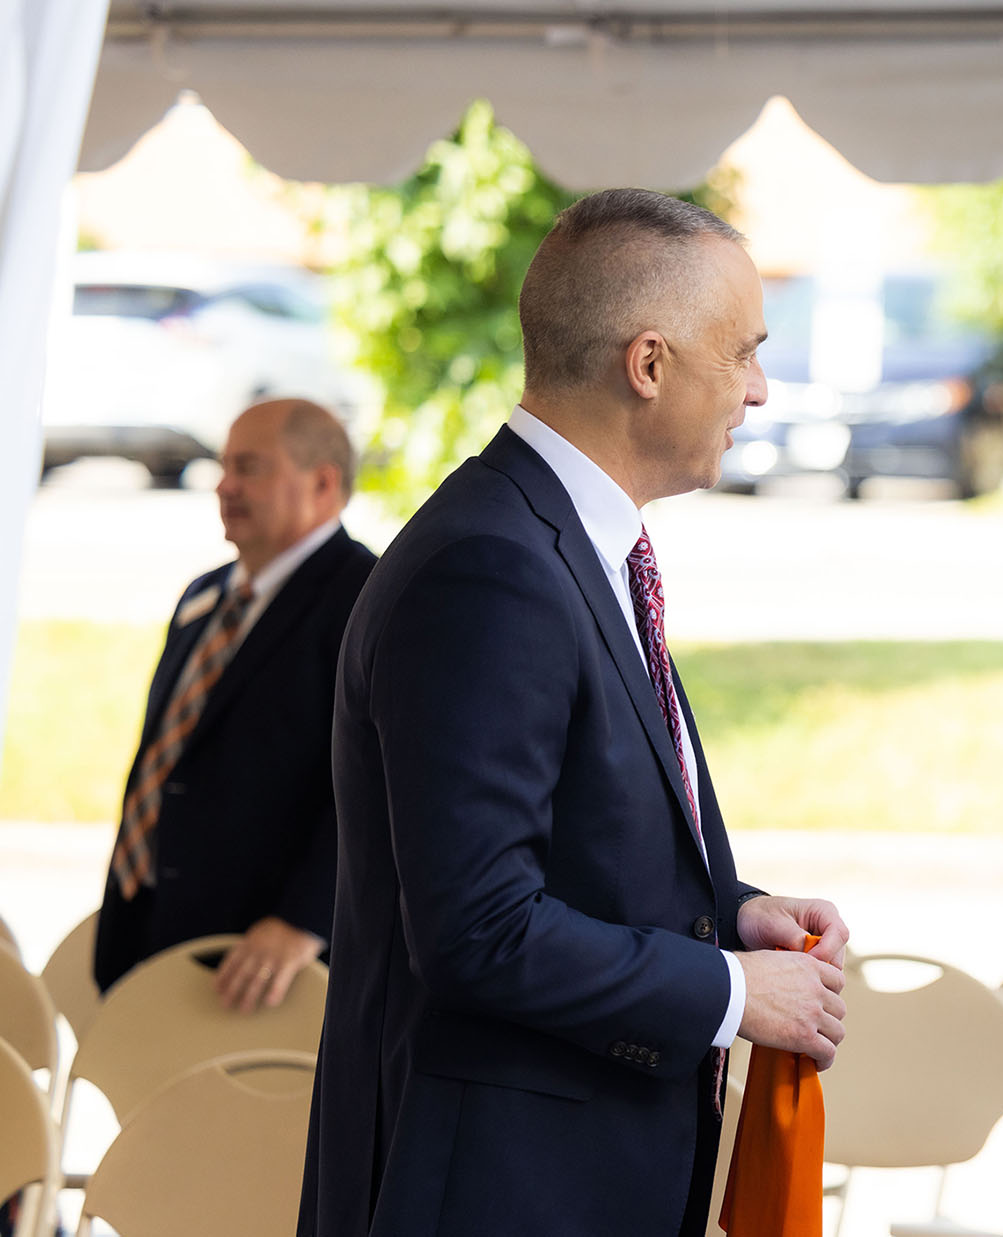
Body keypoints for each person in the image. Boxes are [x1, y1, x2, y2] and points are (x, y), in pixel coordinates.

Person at [299, 189, 850, 1237]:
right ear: (648, 365)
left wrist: (728, 911)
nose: (762, 390)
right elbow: (478, 929)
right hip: (496, 1190)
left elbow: (569, 845)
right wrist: (732, 991)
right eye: (743, 354)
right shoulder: (489, 568)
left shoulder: (554, 539)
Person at [94, 399, 374, 1007]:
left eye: (249, 468)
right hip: (151, 926)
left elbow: (384, 780)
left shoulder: (369, 601)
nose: (225, 486)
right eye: (225, 467)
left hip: (260, 966)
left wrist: (306, 919)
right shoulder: (205, 594)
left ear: (323, 482)